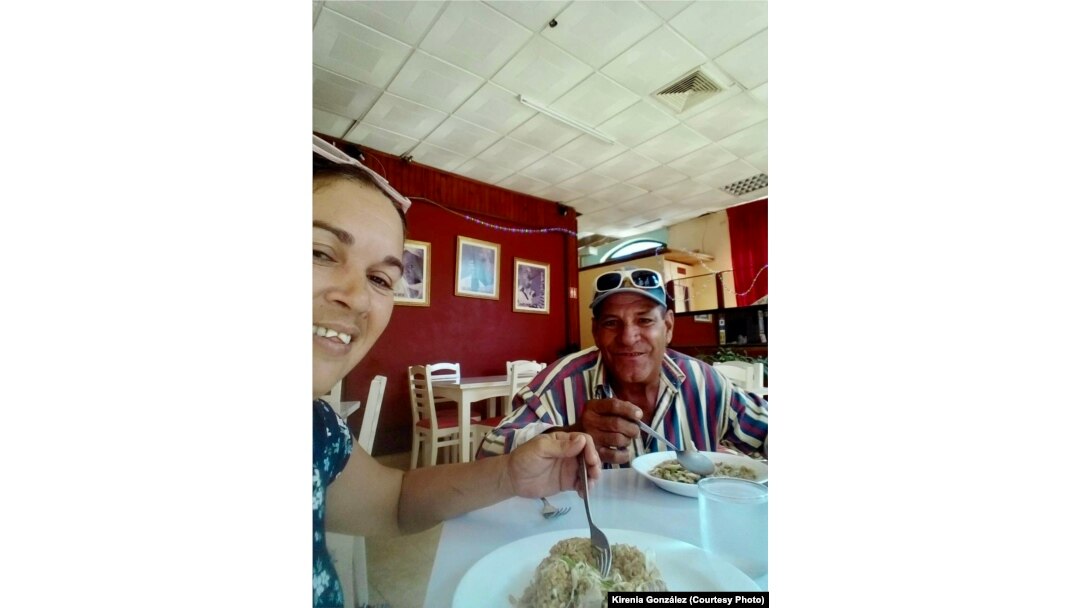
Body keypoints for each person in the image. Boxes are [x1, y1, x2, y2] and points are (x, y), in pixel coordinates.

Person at [311, 135, 601, 607]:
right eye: (320, 252)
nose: (358, 297)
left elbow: (396, 500)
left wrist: (511, 473)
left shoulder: (318, 429)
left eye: (381, 279)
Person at [477, 266, 768, 467]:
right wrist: (569, 435)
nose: (628, 337)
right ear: (595, 331)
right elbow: (488, 451)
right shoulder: (561, 384)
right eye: (611, 323)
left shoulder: (704, 382)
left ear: (667, 327)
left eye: (644, 320)